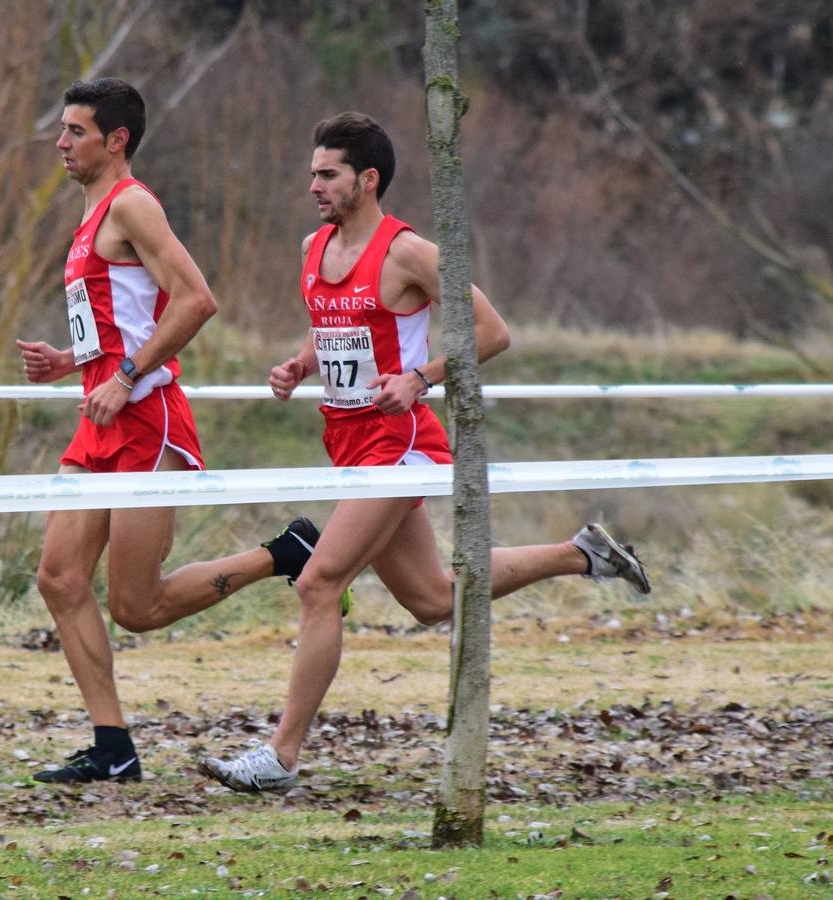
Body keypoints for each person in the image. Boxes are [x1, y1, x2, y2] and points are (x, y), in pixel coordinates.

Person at [198, 112, 651, 794]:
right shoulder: (313, 247)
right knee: (432, 598)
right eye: (312, 174)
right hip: (348, 442)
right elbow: (332, 327)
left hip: (401, 444)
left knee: (321, 583)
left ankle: (281, 757)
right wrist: (297, 366)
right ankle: (580, 554)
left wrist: (421, 378)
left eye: (328, 174)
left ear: (367, 179)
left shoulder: (407, 252)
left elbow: (493, 332)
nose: (314, 185)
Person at [15, 78, 323, 785]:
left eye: (75, 132)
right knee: (60, 578)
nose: (60, 143)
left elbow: (197, 301)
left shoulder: (132, 205)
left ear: (116, 140)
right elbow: (126, 316)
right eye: (62, 130)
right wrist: (74, 363)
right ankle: (113, 748)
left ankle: (285, 552)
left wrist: (123, 376)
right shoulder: (92, 216)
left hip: (145, 421)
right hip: (98, 419)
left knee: (138, 606)